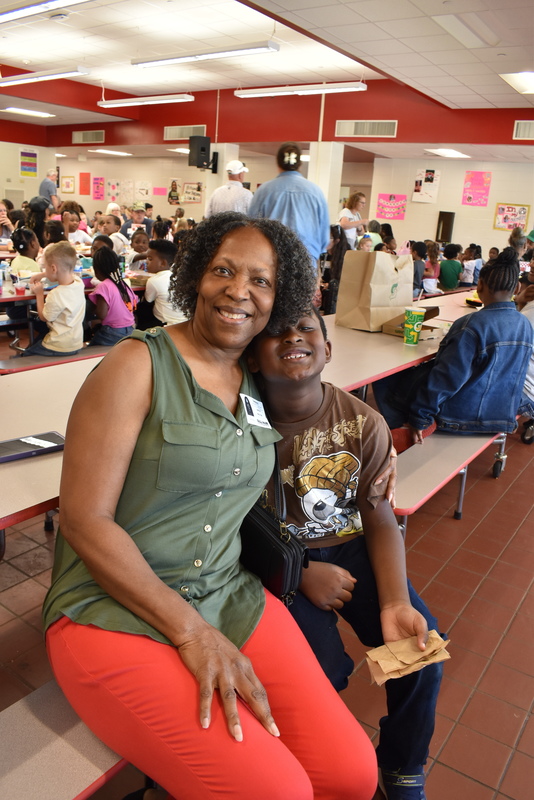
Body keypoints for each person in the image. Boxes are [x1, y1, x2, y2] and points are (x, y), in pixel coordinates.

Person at [42, 212, 377, 800]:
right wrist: (190, 632)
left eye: (261, 281)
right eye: (223, 270)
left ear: (280, 299)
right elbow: (83, 520)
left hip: (228, 596)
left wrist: (377, 446)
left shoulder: (253, 377)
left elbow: (315, 397)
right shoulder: (135, 365)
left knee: (350, 774)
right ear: (195, 276)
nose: (239, 291)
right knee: (278, 792)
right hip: (112, 607)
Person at [248, 309, 442, 800]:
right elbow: (236, 523)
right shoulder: (240, 426)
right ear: (252, 355)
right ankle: (314, 762)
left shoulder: (363, 423)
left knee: (421, 657)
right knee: (323, 673)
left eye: (306, 328)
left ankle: (402, 766)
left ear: (328, 351)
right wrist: (302, 573)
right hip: (279, 562)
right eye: (276, 331)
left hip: (352, 546)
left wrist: (395, 602)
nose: (293, 335)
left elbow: (378, 519)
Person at [373, 248, 533, 442]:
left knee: (385, 379)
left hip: (460, 418)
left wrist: (420, 417)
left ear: (479, 285)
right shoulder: (523, 323)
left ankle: (406, 431)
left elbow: (446, 378)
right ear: (516, 288)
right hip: (500, 415)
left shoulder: (470, 325)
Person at [249, 142, 329, 268]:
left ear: (278, 163)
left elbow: (251, 227)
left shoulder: (264, 191)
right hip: (306, 260)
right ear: (300, 164)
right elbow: (324, 237)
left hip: (271, 259)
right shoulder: (316, 192)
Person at [23, 241, 84, 357]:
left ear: (53, 268)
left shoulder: (56, 294)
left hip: (58, 345)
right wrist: (43, 274)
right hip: (76, 343)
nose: (44, 270)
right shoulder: (79, 283)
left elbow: (44, 317)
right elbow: (64, 272)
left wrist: (39, 295)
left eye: (45, 267)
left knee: (26, 355)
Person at [86, 247, 137, 347]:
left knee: (91, 346)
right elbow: (133, 305)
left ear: (96, 270)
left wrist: (93, 310)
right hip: (130, 330)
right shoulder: (123, 284)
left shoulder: (103, 286)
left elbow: (102, 314)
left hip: (111, 333)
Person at [136, 239, 185, 329]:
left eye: (150, 259)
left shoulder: (154, 281)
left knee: (141, 309)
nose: (146, 262)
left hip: (165, 325)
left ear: (163, 263)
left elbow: (147, 302)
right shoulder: (182, 275)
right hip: (185, 322)